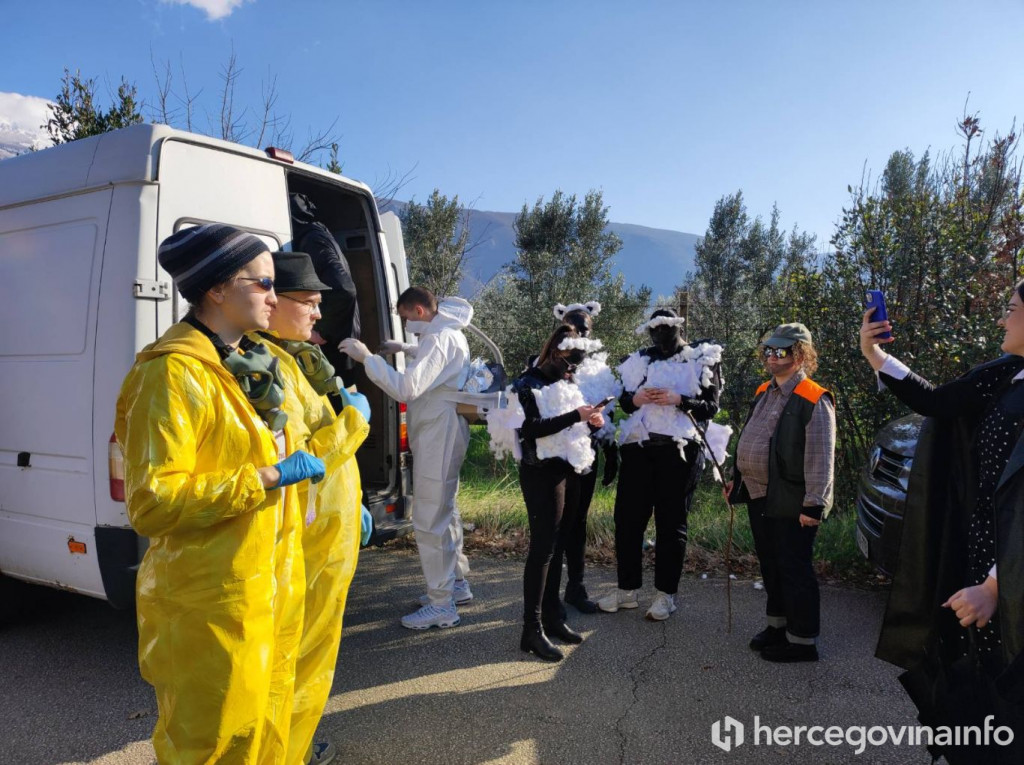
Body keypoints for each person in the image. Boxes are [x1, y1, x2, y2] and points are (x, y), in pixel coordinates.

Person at [115, 224, 325, 764]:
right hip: (209, 601)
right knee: (209, 747)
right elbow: (152, 502)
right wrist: (266, 478)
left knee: (265, 733)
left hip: (267, 590)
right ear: (216, 289)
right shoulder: (171, 374)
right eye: (263, 285)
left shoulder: (249, 365)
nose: (276, 299)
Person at [862, 290, 1024, 764]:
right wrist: (875, 354)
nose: (1001, 322)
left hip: (1010, 587)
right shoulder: (1005, 375)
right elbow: (937, 401)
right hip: (981, 575)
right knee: (978, 701)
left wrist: (996, 585)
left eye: (1010, 311)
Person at [252, 251, 372, 765]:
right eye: (308, 301)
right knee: (293, 658)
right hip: (304, 541)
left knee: (314, 656)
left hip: (329, 532)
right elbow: (304, 457)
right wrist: (355, 423)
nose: (317, 313)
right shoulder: (263, 369)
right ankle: (283, 752)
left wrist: (358, 504)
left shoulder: (297, 357)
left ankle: (295, 745)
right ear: (274, 301)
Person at [339, 287, 474, 630]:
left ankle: (442, 605)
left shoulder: (440, 338)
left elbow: (407, 389)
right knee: (445, 509)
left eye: (405, 318)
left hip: (438, 433)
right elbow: (438, 361)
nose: (405, 324)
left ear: (418, 310)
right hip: (442, 430)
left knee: (430, 519)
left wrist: (367, 358)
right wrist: (407, 349)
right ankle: (455, 585)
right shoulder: (445, 334)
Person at [598, 308, 723, 621]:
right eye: (654, 331)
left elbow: (711, 406)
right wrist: (638, 399)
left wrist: (678, 399)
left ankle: (666, 594)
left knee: (671, 523)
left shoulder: (700, 357)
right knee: (627, 520)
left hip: (679, 453)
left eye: (666, 330)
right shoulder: (639, 360)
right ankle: (627, 590)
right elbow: (625, 401)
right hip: (640, 448)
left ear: (677, 329)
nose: (659, 337)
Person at [726, 323, 835, 663]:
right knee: (771, 565)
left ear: (800, 354)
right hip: (759, 494)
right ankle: (778, 627)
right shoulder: (764, 390)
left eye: (780, 351)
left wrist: (814, 505)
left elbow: (821, 456)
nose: (771, 357)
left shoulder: (814, 398)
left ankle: (802, 642)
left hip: (793, 501)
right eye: (768, 351)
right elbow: (752, 437)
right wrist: (737, 480)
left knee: (794, 569)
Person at [513, 324, 606, 660]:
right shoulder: (528, 382)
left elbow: (569, 425)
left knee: (559, 544)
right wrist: (574, 416)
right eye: (569, 364)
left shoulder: (563, 381)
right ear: (554, 351)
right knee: (542, 550)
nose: (572, 371)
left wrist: (590, 421)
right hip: (540, 473)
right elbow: (530, 429)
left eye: (577, 366)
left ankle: (553, 617)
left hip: (567, 469)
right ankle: (531, 629)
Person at [551, 301, 620, 614]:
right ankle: (548, 592)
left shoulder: (601, 370)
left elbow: (609, 411)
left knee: (578, 521)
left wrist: (610, 449)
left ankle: (575, 587)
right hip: (555, 456)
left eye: (585, 330)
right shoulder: (547, 366)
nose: (579, 335)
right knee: (555, 524)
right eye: (573, 329)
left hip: (586, 455)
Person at [290, 193, 361, 390]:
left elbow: (344, 289)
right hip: (341, 344)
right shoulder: (320, 235)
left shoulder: (313, 240)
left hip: (332, 350)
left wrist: (319, 331)